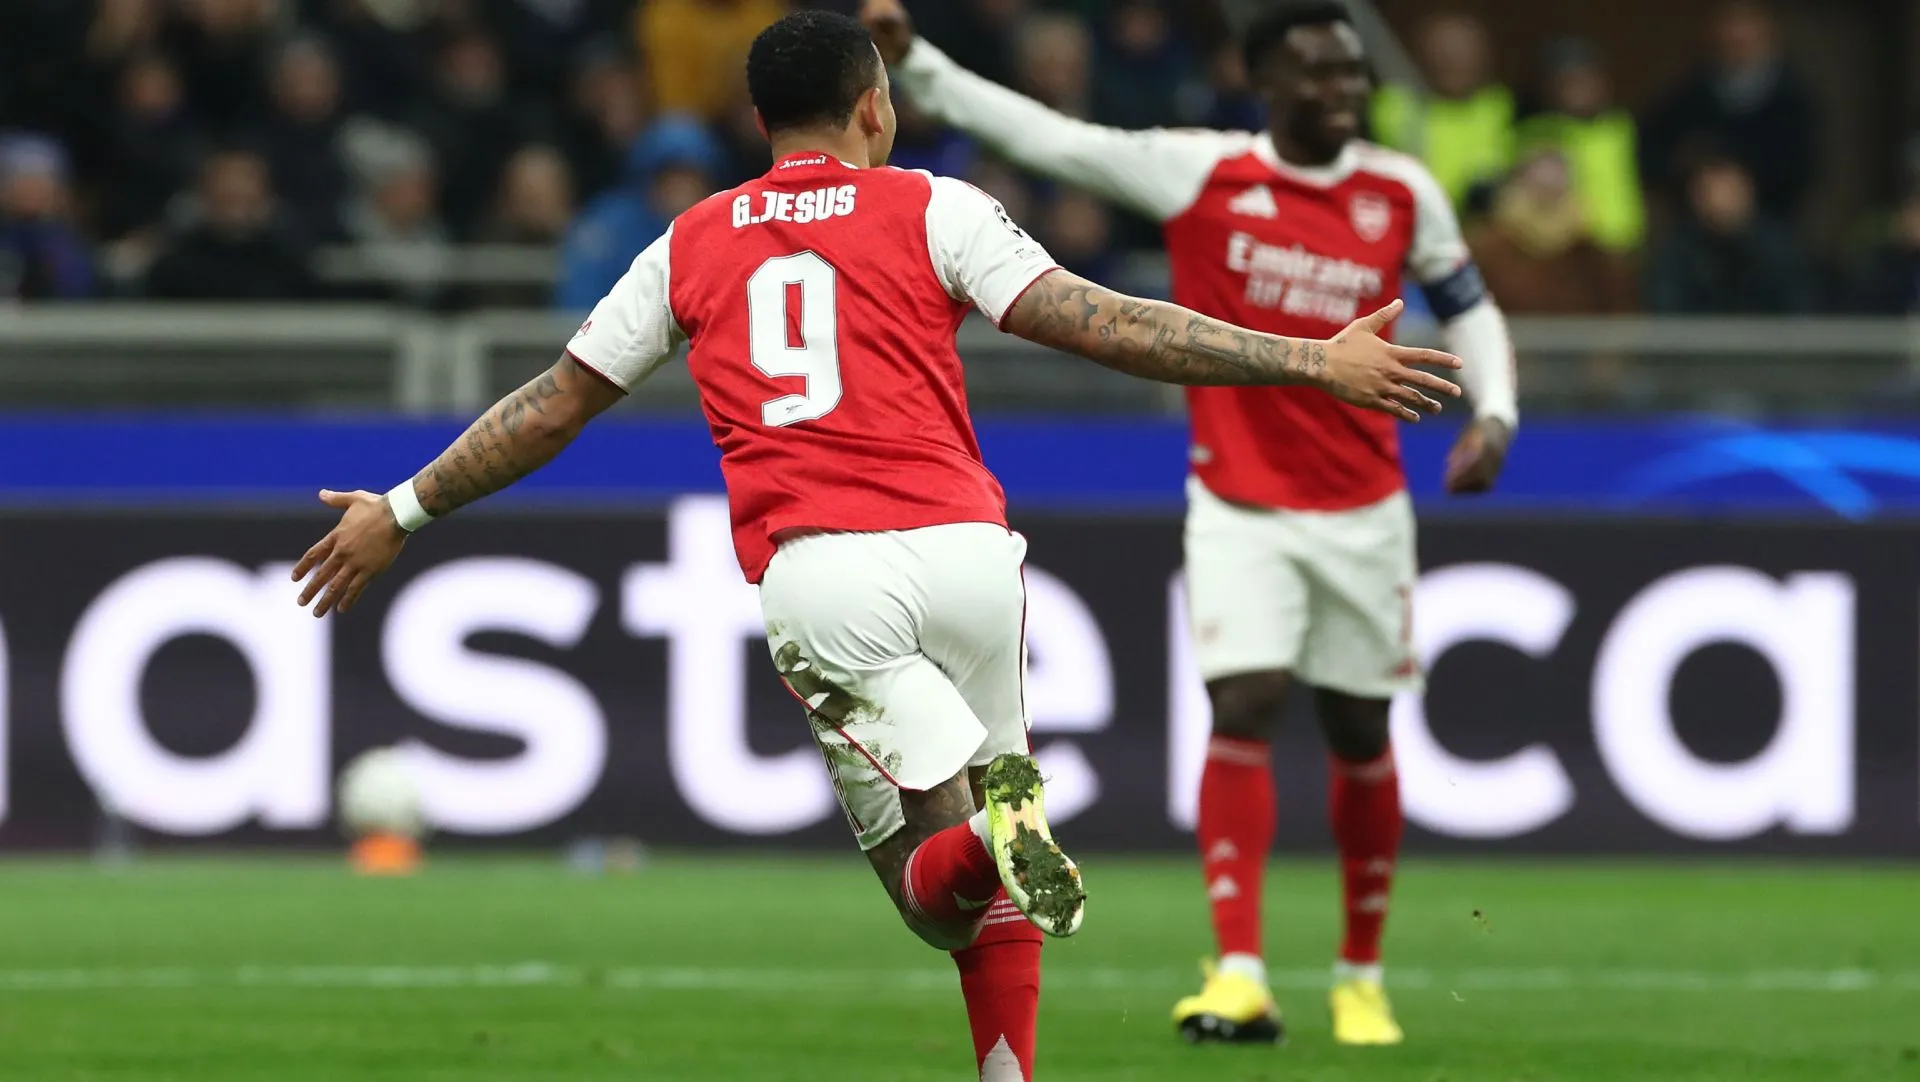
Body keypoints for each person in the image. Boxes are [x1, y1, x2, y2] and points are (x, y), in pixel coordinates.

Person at [291, 12, 1464, 1081]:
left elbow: (551, 405)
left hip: (829, 573)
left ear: (760, 121)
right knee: (995, 844)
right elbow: (1107, 322)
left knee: (930, 892)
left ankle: (989, 838)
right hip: (972, 557)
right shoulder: (935, 206)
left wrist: (401, 508)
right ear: (873, 105)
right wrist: (1310, 358)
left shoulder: (688, 242)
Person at [864, 0, 1519, 1048]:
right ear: (1264, 83)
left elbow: (1469, 302)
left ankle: (1360, 976)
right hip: (1239, 500)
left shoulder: (1402, 189)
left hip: (1365, 507)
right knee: (1245, 702)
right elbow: (1053, 139)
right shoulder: (1200, 171)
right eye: (1317, 72)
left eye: (1351, 73)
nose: (1341, 90)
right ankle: (1240, 972)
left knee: (1360, 728)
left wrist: (1496, 412)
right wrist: (924, 65)